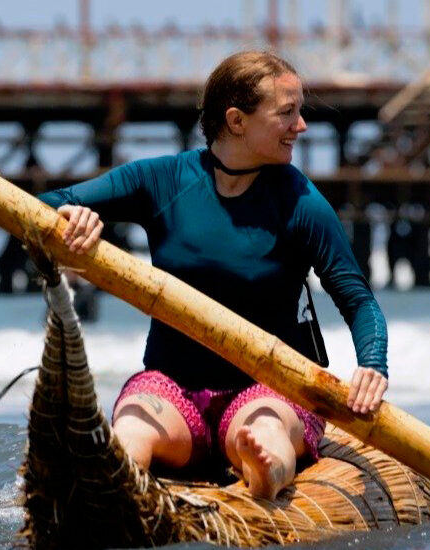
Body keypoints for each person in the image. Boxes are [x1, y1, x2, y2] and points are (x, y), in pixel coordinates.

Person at [38, 50, 389, 499]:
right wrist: (72, 217)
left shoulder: (300, 202)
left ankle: (265, 474)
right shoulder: (163, 180)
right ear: (237, 121)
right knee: (131, 428)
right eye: (288, 113)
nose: (301, 127)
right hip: (173, 388)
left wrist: (372, 365)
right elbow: (43, 204)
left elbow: (357, 299)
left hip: (270, 387)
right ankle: (112, 495)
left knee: (264, 433)